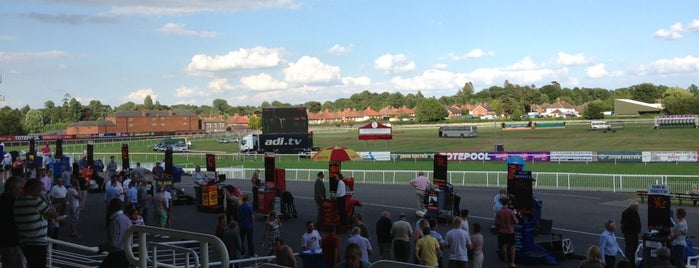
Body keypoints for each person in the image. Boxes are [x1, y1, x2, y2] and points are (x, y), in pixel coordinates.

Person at [14, 178, 64, 268]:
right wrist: (44, 198)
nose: (42, 192)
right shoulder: (36, 202)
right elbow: (54, 214)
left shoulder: (17, 201)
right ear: (33, 190)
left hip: (24, 241)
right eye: (40, 190)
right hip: (37, 242)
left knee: (32, 264)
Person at [0, 176, 25, 268]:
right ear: (15, 189)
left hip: (6, 241)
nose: (23, 191)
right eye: (21, 188)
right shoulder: (15, 202)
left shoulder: (2, 199)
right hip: (11, 242)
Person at [495, 197, 518, 268]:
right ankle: (512, 263)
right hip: (510, 231)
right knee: (512, 247)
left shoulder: (499, 212)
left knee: (504, 247)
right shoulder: (510, 212)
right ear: (507, 203)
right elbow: (516, 222)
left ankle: (505, 263)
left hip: (502, 231)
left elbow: (496, 222)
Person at [620, 200, 641, 267]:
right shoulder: (626, 213)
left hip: (635, 234)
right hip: (629, 234)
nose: (638, 208)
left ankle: (632, 263)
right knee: (629, 250)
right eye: (637, 207)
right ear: (633, 206)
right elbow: (624, 224)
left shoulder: (635, 212)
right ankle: (627, 264)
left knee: (634, 249)